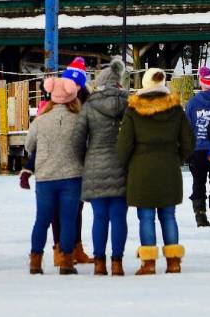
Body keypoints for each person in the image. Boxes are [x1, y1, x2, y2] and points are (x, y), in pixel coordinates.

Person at [117, 68, 193, 275]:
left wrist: (125, 166)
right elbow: (188, 141)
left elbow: (124, 145)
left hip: (141, 170)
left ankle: (149, 263)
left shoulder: (133, 110)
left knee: (146, 217)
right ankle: (173, 261)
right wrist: (176, 158)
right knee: (169, 216)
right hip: (169, 167)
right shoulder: (176, 109)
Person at [23, 63, 87, 275]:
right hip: (72, 176)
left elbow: (29, 146)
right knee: (68, 220)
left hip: (45, 178)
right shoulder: (79, 119)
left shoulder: (40, 120)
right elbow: (85, 146)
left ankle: (35, 261)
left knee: (42, 220)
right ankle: (67, 261)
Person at [75, 58, 129, 276]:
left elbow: (78, 140)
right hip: (121, 166)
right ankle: (117, 263)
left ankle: (99, 262)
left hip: (95, 164)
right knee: (118, 217)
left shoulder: (89, 106)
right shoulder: (128, 104)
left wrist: (85, 161)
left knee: (99, 217)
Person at [185, 66, 210, 227]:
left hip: (198, 149)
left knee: (198, 182)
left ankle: (200, 215)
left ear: (201, 84)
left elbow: (187, 127)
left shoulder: (193, 103)